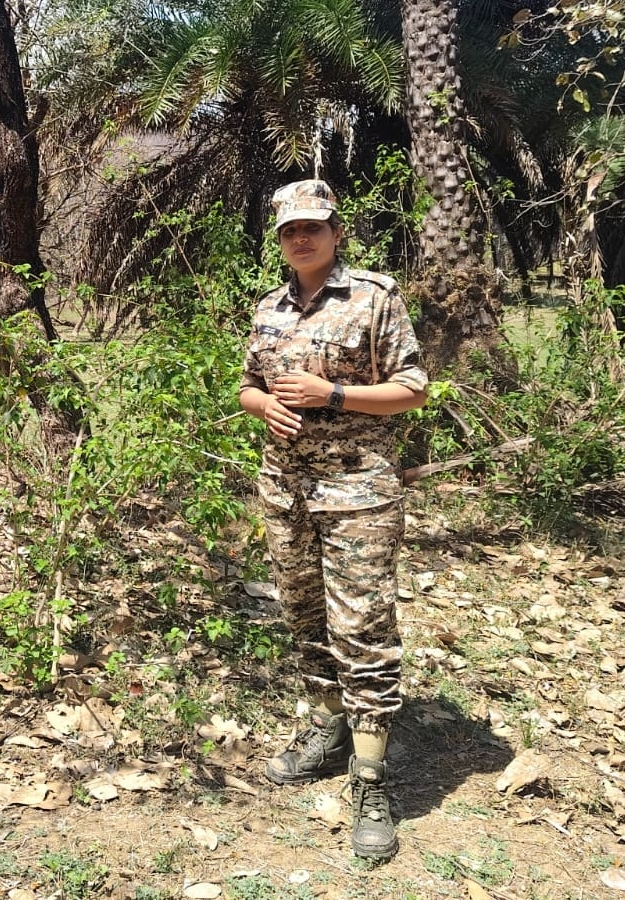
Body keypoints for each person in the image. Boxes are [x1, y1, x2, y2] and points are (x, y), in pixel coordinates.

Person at [238, 179, 428, 859]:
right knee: (305, 617)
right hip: (284, 492)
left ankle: (372, 777)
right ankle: (327, 727)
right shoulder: (268, 309)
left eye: (313, 226)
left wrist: (334, 393)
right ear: (281, 239)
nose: (301, 238)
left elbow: (412, 389)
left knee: (363, 629)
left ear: (336, 231)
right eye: (290, 230)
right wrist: (262, 406)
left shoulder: (375, 297)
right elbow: (247, 385)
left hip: (358, 494)